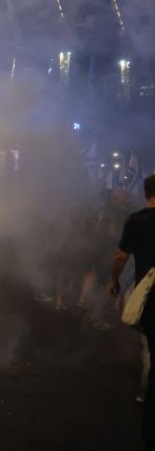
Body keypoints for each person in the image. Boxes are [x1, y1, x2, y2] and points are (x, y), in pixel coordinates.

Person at [109, 175, 155, 451]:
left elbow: (120, 257)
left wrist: (114, 281)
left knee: (150, 349)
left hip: (149, 297)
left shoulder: (136, 221)